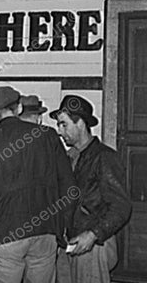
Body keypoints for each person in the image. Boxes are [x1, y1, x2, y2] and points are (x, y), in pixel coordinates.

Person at [0, 86, 75, 283]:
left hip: (5, 233)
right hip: (45, 231)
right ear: (18, 108)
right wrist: (60, 227)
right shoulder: (48, 136)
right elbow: (68, 186)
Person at [50, 95, 132, 283]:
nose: (60, 131)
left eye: (64, 125)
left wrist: (94, 234)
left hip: (92, 247)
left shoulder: (104, 157)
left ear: (80, 123)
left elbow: (121, 207)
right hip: (68, 245)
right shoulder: (68, 158)